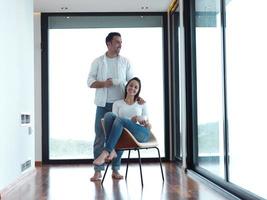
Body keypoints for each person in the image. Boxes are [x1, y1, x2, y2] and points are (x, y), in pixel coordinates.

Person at [87, 32, 134, 181]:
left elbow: (132, 82)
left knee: (119, 138)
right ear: (108, 44)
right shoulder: (97, 62)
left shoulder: (125, 62)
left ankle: (115, 169)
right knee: (100, 136)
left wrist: (137, 98)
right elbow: (90, 82)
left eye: (121, 42)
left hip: (120, 105)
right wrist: (105, 84)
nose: (120, 44)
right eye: (117, 42)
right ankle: (98, 171)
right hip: (103, 104)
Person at [93, 77, 151, 167]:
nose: (133, 88)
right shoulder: (117, 103)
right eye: (131, 85)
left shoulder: (141, 103)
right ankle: (111, 151)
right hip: (123, 133)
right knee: (108, 115)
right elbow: (113, 122)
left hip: (141, 133)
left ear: (138, 90)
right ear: (126, 86)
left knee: (120, 120)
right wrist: (129, 120)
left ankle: (107, 150)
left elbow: (147, 122)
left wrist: (139, 120)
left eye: (136, 87)